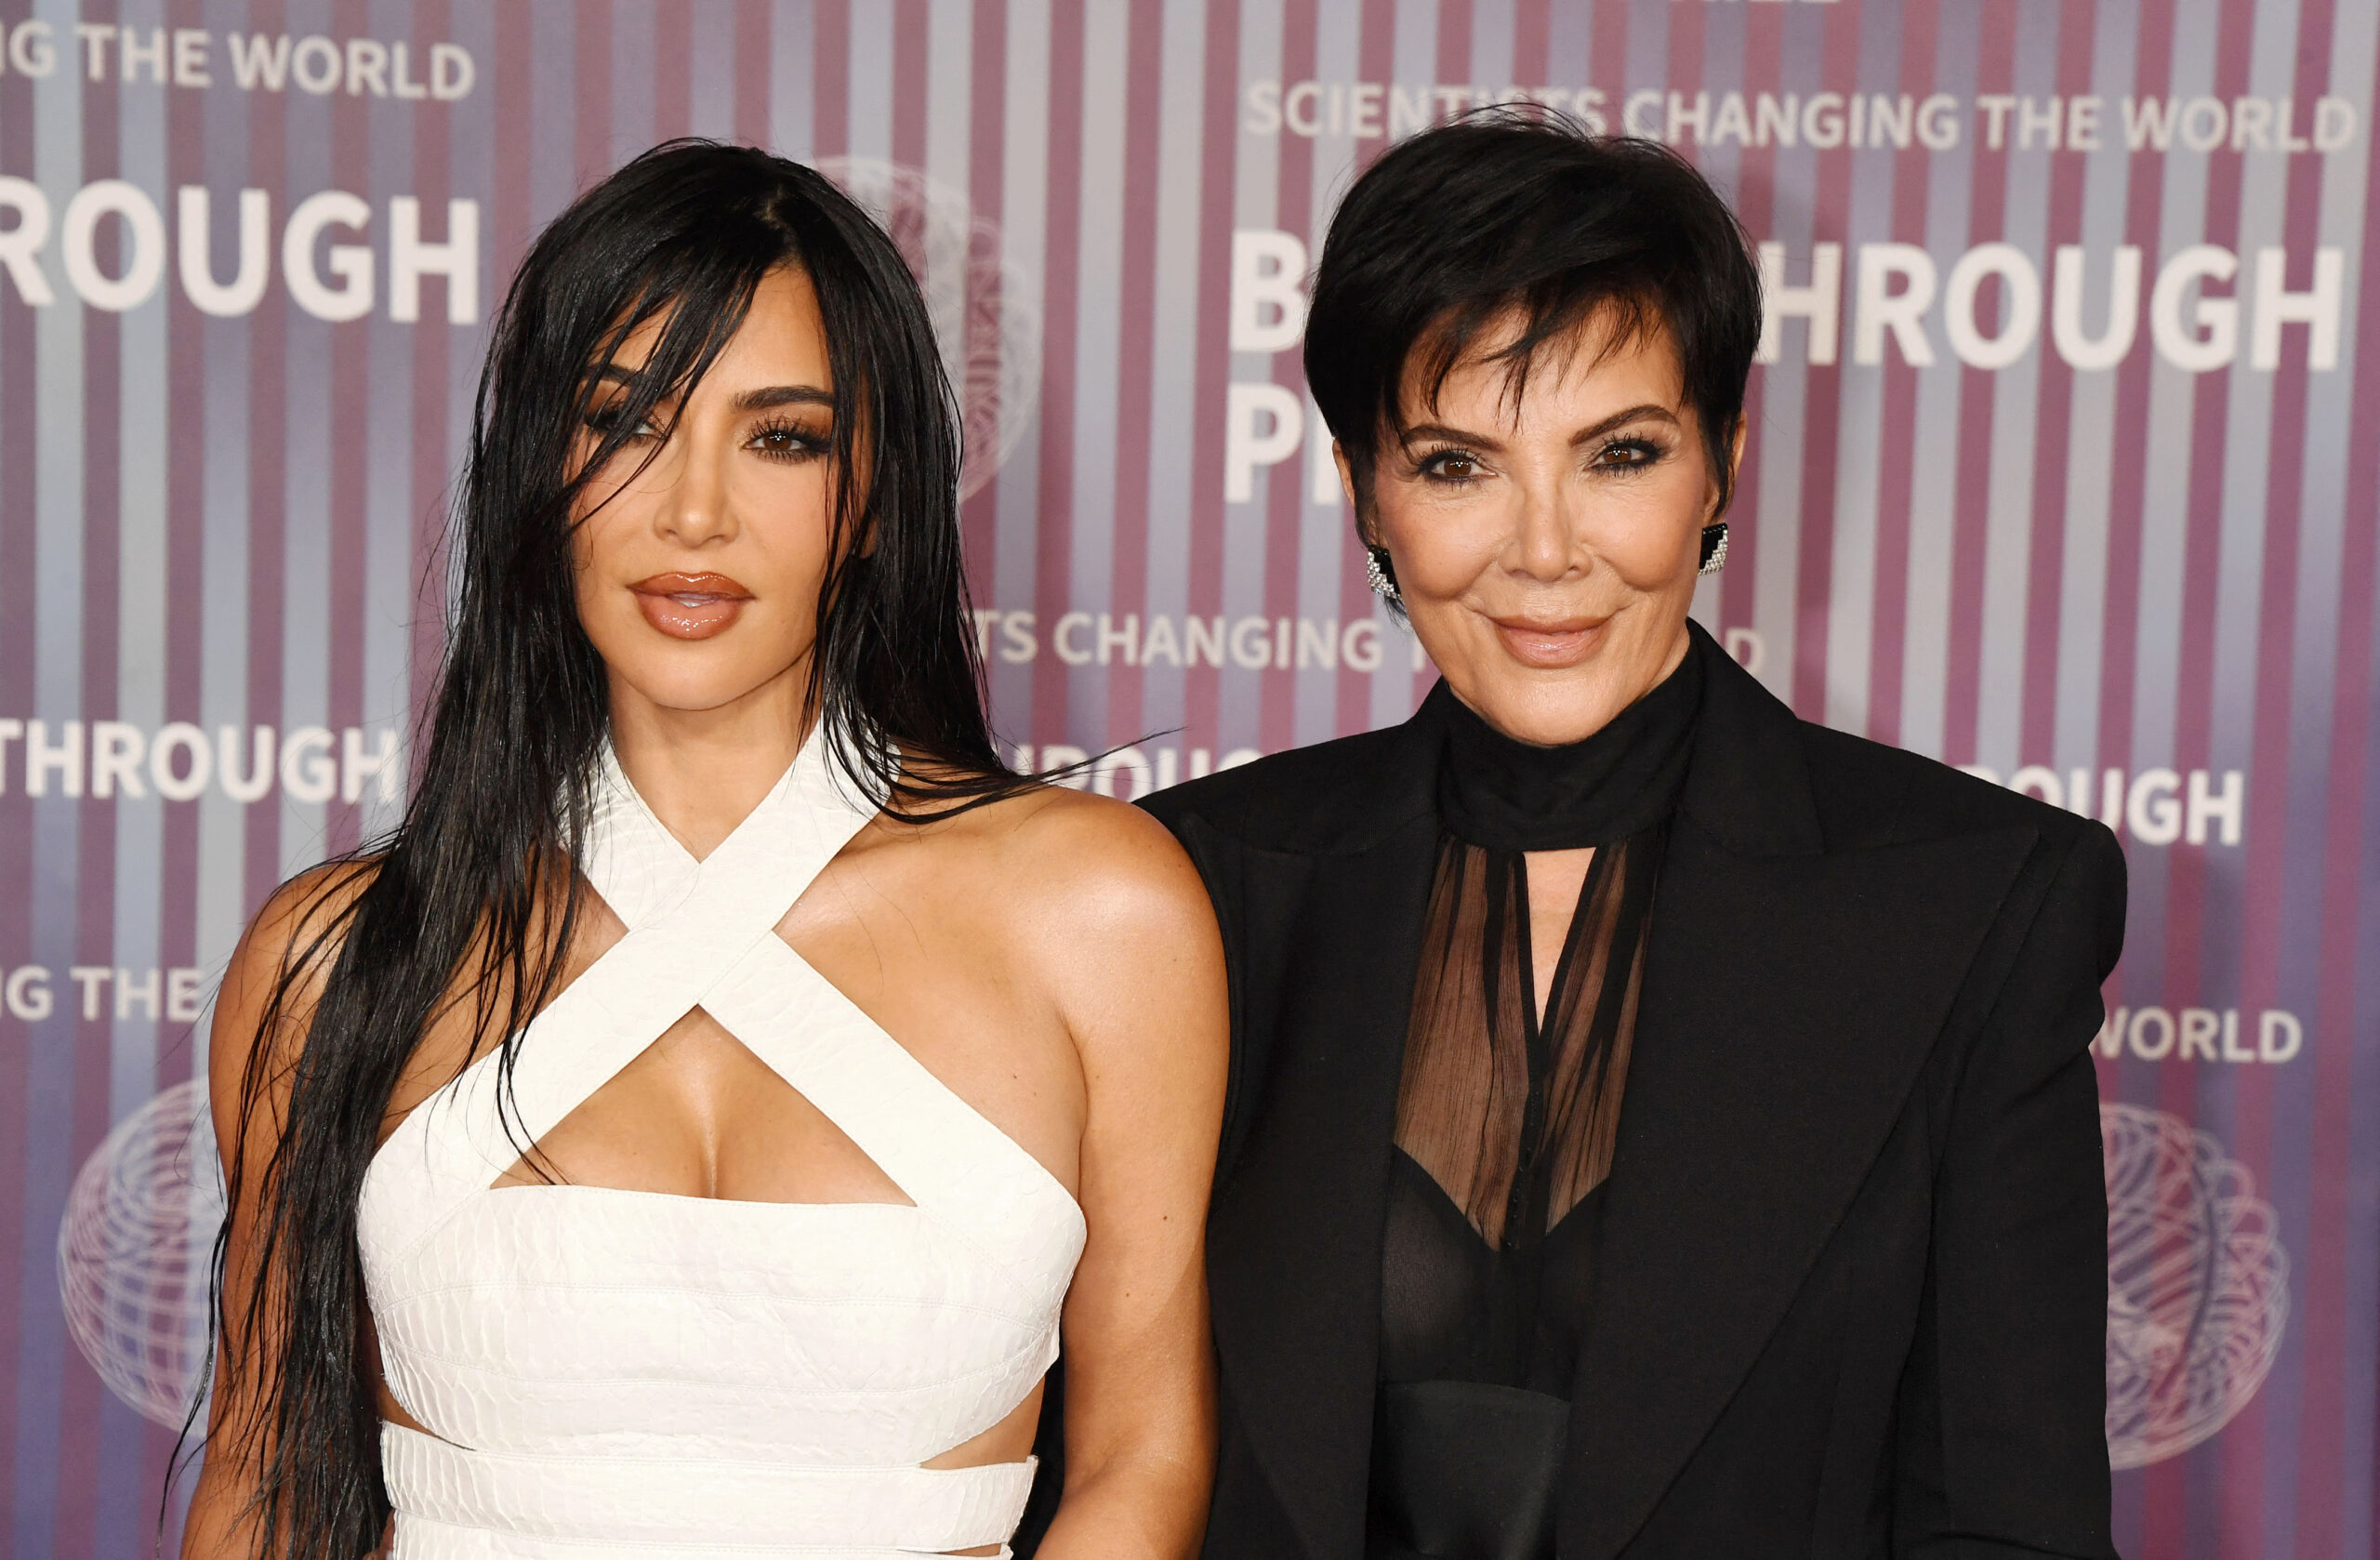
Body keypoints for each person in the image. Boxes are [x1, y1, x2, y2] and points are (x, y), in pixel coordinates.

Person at [184, 140, 1225, 1560]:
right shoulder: (335, 956)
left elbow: (1142, 1455)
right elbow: (266, 1478)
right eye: (626, 422)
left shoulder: (1100, 913)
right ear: (541, 469)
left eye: (780, 437)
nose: (692, 512)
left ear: (874, 494)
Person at [1144, 112, 2123, 1560]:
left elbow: (2008, 1523)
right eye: (1459, 465)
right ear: (1364, 489)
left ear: (1721, 465)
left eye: (1618, 454)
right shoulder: (1189, 891)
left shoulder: (1977, 905)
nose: (1546, 549)